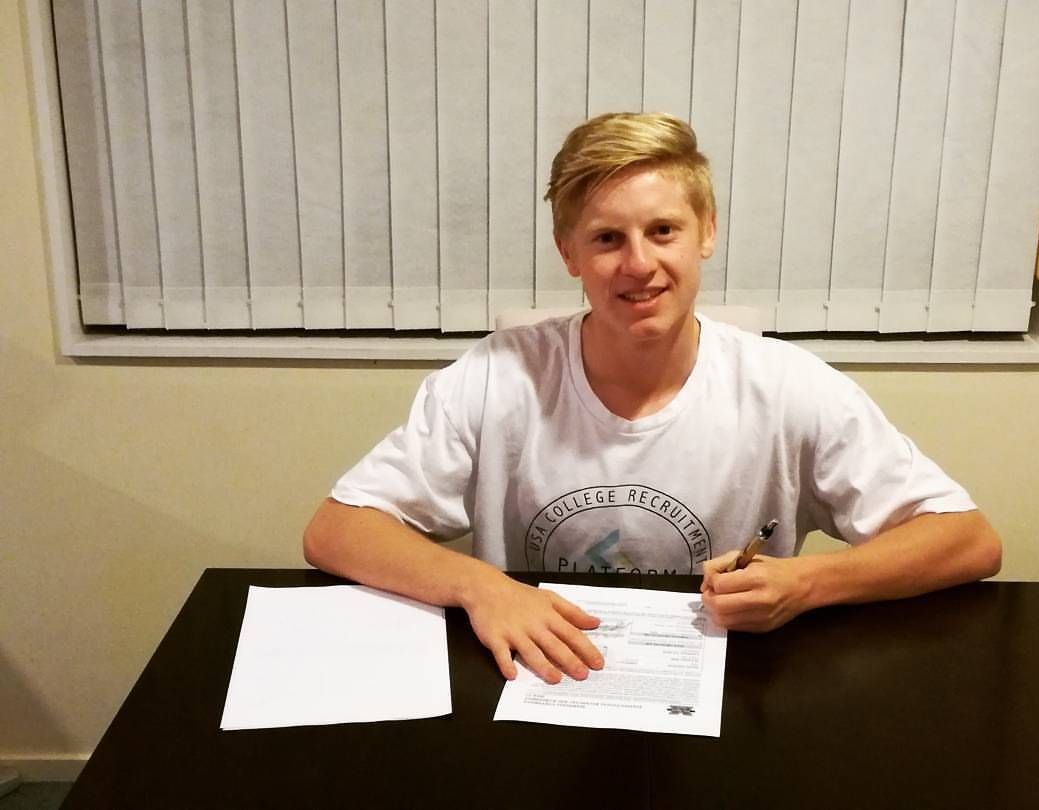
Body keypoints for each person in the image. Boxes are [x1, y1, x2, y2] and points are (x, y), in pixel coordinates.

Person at [304, 112, 1001, 686]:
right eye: (608, 238)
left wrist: (807, 584)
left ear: (707, 232)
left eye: (663, 231)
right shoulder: (496, 376)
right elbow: (335, 531)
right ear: (569, 254)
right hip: (543, 683)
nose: (638, 264)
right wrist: (480, 586)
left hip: (735, 692)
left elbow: (968, 541)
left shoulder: (790, 385)